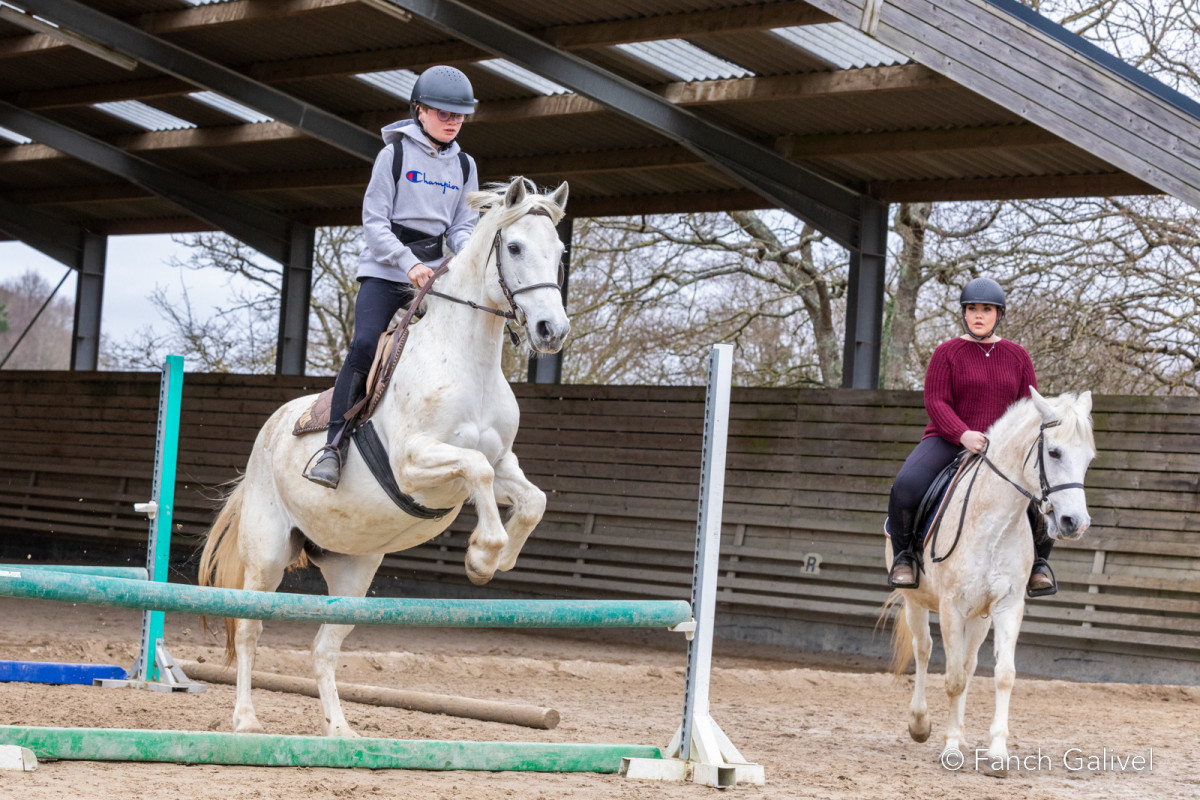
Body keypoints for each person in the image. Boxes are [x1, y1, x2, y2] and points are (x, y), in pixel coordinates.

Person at [304, 65, 480, 489]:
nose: (453, 121)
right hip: (387, 272)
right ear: (420, 111)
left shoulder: (466, 164)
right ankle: (333, 448)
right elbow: (374, 222)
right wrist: (408, 263)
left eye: (459, 115)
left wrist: (463, 255)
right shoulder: (394, 155)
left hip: (433, 276)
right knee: (366, 343)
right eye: (444, 113)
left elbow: (462, 226)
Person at [886, 277, 1057, 597]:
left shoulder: (1018, 356)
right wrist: (962, 433)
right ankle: (905, 556)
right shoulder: (946, 353)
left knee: (1045, 493)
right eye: (972, 309)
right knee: (905, 486)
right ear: (964, 313)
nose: (979, 315)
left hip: (1003, 452)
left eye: (987, 309)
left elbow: (1028, 408)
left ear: (999, 314)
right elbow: (936, 402)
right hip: (948, 440)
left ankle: (1038, 565)